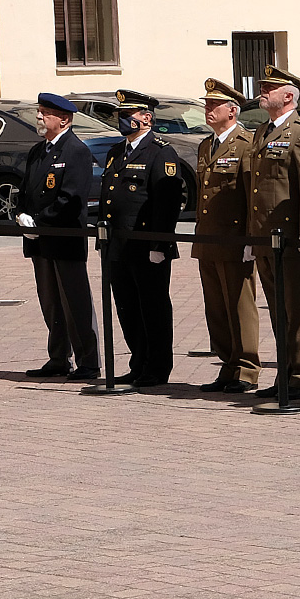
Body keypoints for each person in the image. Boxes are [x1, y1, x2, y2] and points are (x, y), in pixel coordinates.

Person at [94, 89, 187, 388]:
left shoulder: (161, 152)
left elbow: (168, 202)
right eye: (119, 116)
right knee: (127, 308)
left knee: (153, 309)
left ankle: (157, 368)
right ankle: (138, 362)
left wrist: (160, 244)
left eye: (127, 115)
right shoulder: (116, 152)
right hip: (119, 246)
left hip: (146, 247)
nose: (122, 120)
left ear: (146, 118)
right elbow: (108, 197)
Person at [247, 65, 300, 400]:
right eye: (263, 85)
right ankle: (285, 373)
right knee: (279, 312)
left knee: (299, 312)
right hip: (266, 239)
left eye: (270, 87)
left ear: (289, 96)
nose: (263, 90)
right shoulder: (262, 131)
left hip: (292, 239)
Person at [18, 92, 99, 382]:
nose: (39, 117)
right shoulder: (38, 151)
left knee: (74, 302)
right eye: (39, 111)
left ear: (63, 119)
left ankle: (88, 361)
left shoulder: (76, 151)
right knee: (50, 301)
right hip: (40, 241)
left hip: (64, 239)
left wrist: (38, 221)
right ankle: (58, 358)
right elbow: (26, 190)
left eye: (45, 113)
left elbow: (71, 198)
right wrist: (22, 215)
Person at [190, 80, 257, 392]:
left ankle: (246, 369)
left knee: (239, 306)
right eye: (206, 105)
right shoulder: (207, 146)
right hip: (208, 239)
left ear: (232, 111)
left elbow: (250, 198)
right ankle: (227, 365)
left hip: (233, 238)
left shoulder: (246, 144)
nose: (207, 110)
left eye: (213, 105)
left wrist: (248, 240)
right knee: (216, 308)